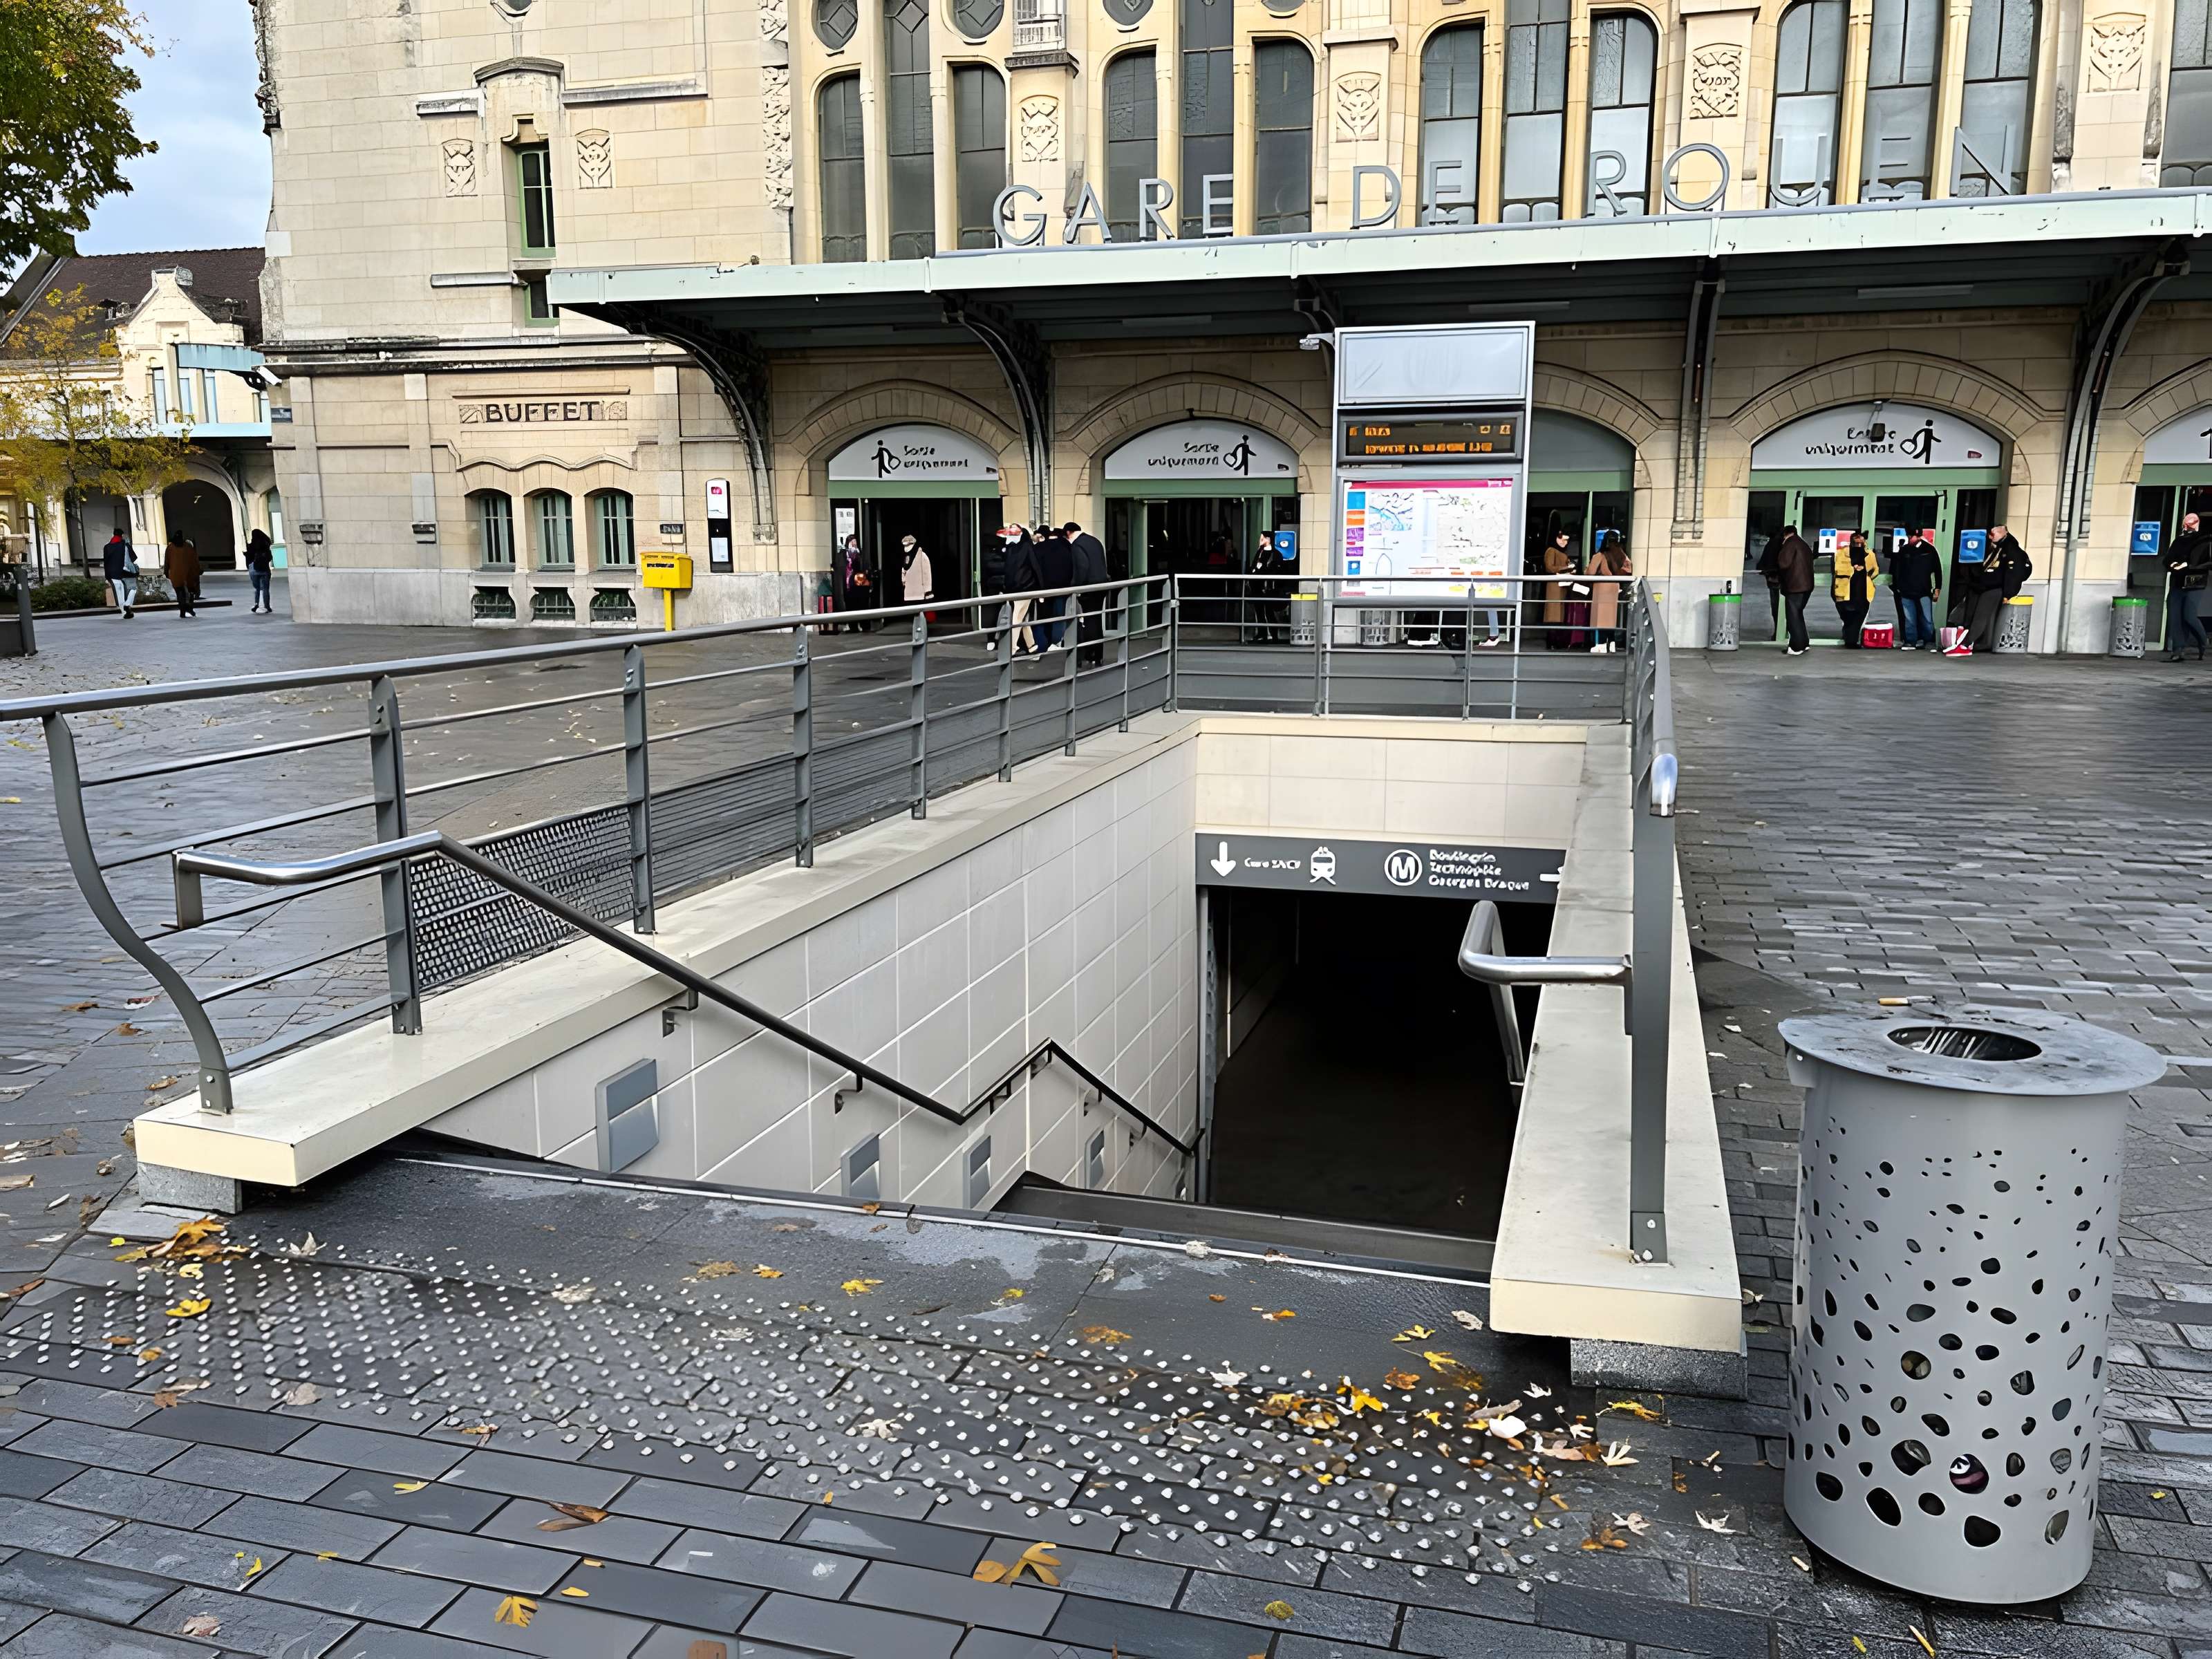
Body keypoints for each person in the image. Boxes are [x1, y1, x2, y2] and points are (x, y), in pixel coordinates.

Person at [1964, 525, 2031, 652]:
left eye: (1993, 534)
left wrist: (2008, 593)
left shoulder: (2010, 550)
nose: (1990, 537)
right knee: (1987, 617)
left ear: (2002, 534)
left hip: (1995, 588)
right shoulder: (1998, 549)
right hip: (1987, 587)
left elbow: (2014, 573)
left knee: (1981, 616)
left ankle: (1968, 643)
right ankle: (1983, 643)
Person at [2162, 511, 2211, 662]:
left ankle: (2203, 640)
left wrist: (2188, 566)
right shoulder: (2179, 541)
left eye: (2190, 524)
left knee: (2189, 615)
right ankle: (2178, 650)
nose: (2187, 527)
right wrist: (2173, 565)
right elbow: (2167, 559)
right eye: (2186, 524)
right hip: (2178, 581)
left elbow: (2207, 562)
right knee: (2175, 615)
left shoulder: (2205, 541)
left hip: (2195, 582)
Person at [1890, 527, 1941, 650]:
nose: (1909, 539)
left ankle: (1928, 640)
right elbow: (1898, 570)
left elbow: (1937, 570)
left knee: (1927, 619)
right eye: (1908, 536)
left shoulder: (1929, 550)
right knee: (1909, 619)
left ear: (1918, 537)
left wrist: (1938, 588)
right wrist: (1898, 587)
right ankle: (1911, 641)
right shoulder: (1904, 550)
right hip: (1906, 590)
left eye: (1911, 537)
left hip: (1924, 590)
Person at [1065, 520, 1109, 661]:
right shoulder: (1095, 541)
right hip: (1102, 586)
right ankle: (1099, 654)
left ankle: (1091, 653)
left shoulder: (1077, 545)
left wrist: (1076, 587)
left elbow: (1082, 568)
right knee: (1096, 619)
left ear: (1069, 533)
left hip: (1089, 588)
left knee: (1090, 621)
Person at [1772, 525, 1815, 655]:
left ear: (1785, 534)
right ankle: (1804, 643)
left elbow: (1784, 563)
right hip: (1806, 586)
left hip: (1795, 586)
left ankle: (1797, 647)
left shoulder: (1790, 543)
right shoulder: (1803, 544)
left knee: (1793, 617)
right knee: (1798, 614)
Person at [1833, 531, 1879, 648]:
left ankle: (1849, 639)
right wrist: (1866, 576)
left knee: (1850, 618)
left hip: (1846, 592)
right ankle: (1851, 641)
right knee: (1855, 618)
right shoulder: (1868, 554)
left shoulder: (1840, 553)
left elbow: (1835, 570)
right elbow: (1875, 571)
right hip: (1858, 591)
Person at [1587, 530, 1631, 653]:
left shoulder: (1600, 555)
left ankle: (1600, 644)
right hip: (1615, 587)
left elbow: (1590, 573)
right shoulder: (1623, 556)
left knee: (1601, 617)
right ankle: (1612, 643)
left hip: (1602, 587)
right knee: (1612, 618)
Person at [1033, 523, 1074, 650]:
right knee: (1060, 616)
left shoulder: (1039, 547)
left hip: (1044, 588)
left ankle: (1043, 643)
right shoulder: (1067, 547)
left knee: (1044, 617)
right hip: (1063, 587)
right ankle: (1057, 642)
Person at [1539, 529, 1578, 650]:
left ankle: (1556, 641)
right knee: (1553, 614)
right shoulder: (1551, 550)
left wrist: (1569, 570)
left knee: (1559, 614)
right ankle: (1551, 641)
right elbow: (1549, 567)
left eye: (1566, 540)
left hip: (1562, 585)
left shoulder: (1562, 553)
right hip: (1554, 586)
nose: (1564, 542)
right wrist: (1566, 568)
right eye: (1562, 539)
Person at [835, 533, 873, 630]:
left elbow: (865, 566)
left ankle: (864, 625)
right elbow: (841, 568)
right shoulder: (843, 555)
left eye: (855, 542)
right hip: (849, 585)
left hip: (860, 583)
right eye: (852, 542)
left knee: (862, 604)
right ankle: (853, 626)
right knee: (851, 604)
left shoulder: (860, 554)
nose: (854, 544)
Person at [163, 532, 201, 619]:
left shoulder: (170, 548)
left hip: (175, 575)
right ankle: (189, 608)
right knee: (190, 592)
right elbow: (194, 560)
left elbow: (167, 561)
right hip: (188, 575)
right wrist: (197, 571)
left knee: (180, 593)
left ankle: (183, 611)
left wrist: (166, 572)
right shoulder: (188, 547)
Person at [102, 527, 137, 618]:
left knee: (119, 593)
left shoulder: (107, 547)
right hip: (124, 572)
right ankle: (127, 605)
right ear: (122, 535)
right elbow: (133, 558)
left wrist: (107, 577)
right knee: (133, 589)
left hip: (112, 573)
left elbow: (106, 562)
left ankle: (124, 612)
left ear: (113, 535)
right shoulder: (124, 545)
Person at [244, 527, 275, 615]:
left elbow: (249, 557)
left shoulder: (251, 546)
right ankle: (267, 606)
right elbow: (270, 558)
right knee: (265, 589)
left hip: (253, 569)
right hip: (264, 569)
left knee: (257, 589)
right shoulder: (266, 545)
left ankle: (256, 605)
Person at [899, 533, 932, 611]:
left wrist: (928, 590)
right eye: (905, 545)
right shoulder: (907, 557)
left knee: (920, 612)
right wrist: (903, 581)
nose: (906, 548)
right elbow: (904, 570)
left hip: (919, 593)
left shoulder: (922, 556)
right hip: (909, 594)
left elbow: (927, 574)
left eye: (908, 545)